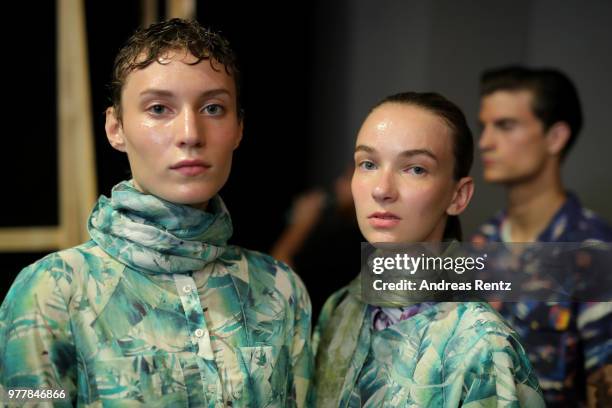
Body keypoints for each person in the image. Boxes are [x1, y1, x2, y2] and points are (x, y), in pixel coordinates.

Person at [0, 19, 313, 407]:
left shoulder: (279, 289)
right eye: (159, 108)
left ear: (238, 128)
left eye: (213, 108)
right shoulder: (53, 290)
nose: (190, 133)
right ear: (116, 128)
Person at [313, 92, 544, 407]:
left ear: (458, 196)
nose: (382, 189)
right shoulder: (340, 309)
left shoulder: (480, 342)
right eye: (368, 163)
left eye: (415, 169)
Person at [472, 65, 612, 407]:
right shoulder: (481, 242)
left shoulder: (592, 250)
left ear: (555, 137)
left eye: (505, 126)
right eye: (484, 127)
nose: (485, 142)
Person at [271, 165, 362, 321]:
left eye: (347, 178)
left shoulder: (349, 240)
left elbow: (280, 281)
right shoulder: (339, 229)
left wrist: (299, 225)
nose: (338, 184)